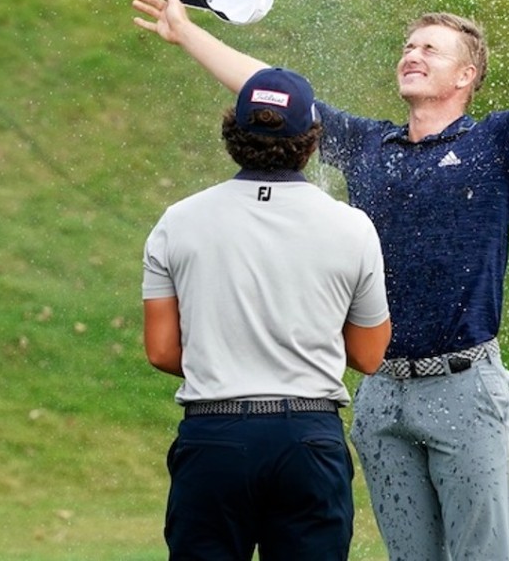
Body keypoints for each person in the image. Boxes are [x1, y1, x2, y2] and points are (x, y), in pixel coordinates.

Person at [133, 0, 509, 560]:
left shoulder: (499, 142)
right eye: (408, 46)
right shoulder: (368, 146)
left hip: (464, 386)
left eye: (430, 49)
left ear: (466, 75)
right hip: (382, 393)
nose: (411, 55)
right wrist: (187, 34)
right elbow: (274, 93)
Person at [141, 66, 392, 561]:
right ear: (312, 141)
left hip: (213, 439)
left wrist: (228, 355)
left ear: (233, 135)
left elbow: (162, 351)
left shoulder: (178, 221)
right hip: (308, 440)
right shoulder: (352, 228)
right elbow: (368, 355)